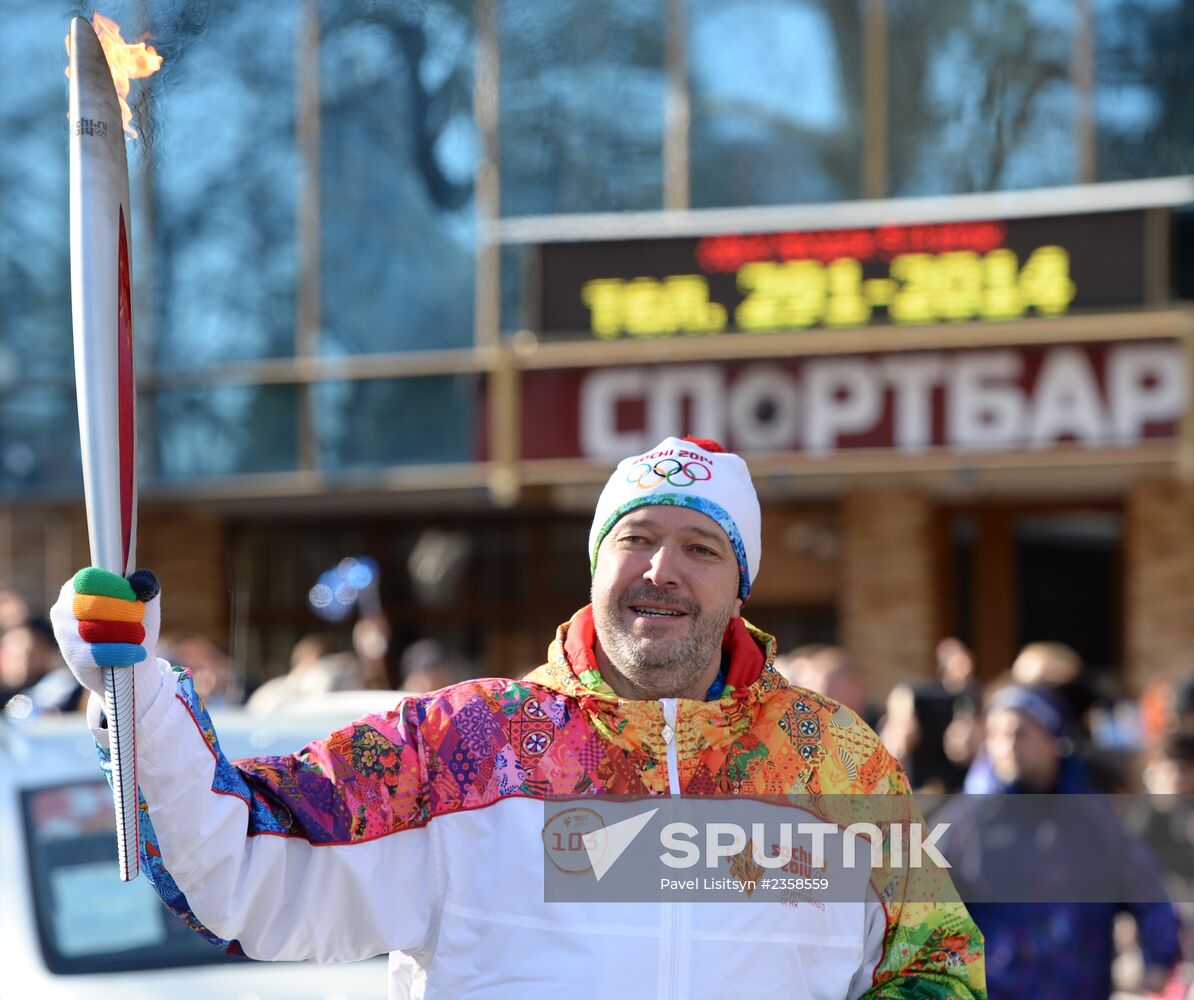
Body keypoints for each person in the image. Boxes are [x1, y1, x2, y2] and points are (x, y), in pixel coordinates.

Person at [51, 436, 985, 998]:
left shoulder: (836, 765)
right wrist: (136, 698)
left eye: (701, 547)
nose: (663, 570)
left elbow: (936, 961)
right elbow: (247, 870)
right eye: (637, 538)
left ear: (739, 588)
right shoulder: (465, 745)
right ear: (597, 566)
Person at [935, 684, 1182, 998]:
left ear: (1053, 739)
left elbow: (1146, 891)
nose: (1007, 745)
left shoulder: (1094, 819)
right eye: (996, 734)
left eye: (1021, 733)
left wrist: (1159, 959)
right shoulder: (963, 823)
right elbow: (922, 910)